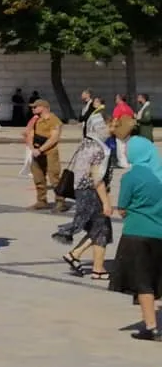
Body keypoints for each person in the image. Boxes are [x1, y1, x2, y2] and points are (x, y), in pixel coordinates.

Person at [108, 136, 162, 340]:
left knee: (143, 282)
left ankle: (151, 327)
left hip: (136, 234)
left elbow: (122, 208)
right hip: (160, 234)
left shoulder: (131, 177)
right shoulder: (160, 175)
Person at [57, 113, 114, 280]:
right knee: (102, 228)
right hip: (91, 193)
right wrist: (106, 203)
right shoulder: (98, 149)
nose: (109, 130)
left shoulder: (86, 143)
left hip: (81, 191)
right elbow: (97, 180)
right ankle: (94, 267)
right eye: (106, 126)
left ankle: (81, 258)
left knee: (99, 228)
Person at [28, 99, 64, 211]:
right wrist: (32, 148)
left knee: (54, 177)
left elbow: (54, 138)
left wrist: (41, 149)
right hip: (37, 152)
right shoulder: (36, 120)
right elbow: (30, 134)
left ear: (43, 107)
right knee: (38, 177)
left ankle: (60, 202)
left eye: (35, 107)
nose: (32, 109)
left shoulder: (54, 120)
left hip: (50, 152)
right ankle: (41, 201)